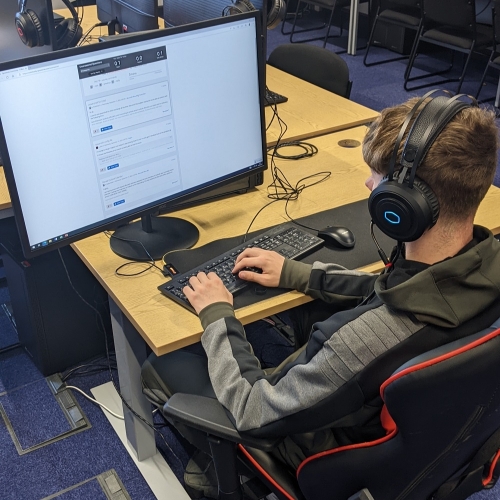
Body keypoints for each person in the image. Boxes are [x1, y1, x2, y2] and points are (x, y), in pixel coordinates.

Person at [141, 94, 500, 491]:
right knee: (292, 316)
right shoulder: (485, 263)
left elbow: (252, 409)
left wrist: (217, 314)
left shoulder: (362, 341)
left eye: (378, 179)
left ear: (403, 206)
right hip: (439, 446)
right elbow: (392, 291)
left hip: (326, 459)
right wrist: (298, 274)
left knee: (163, 365)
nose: (368, 184)